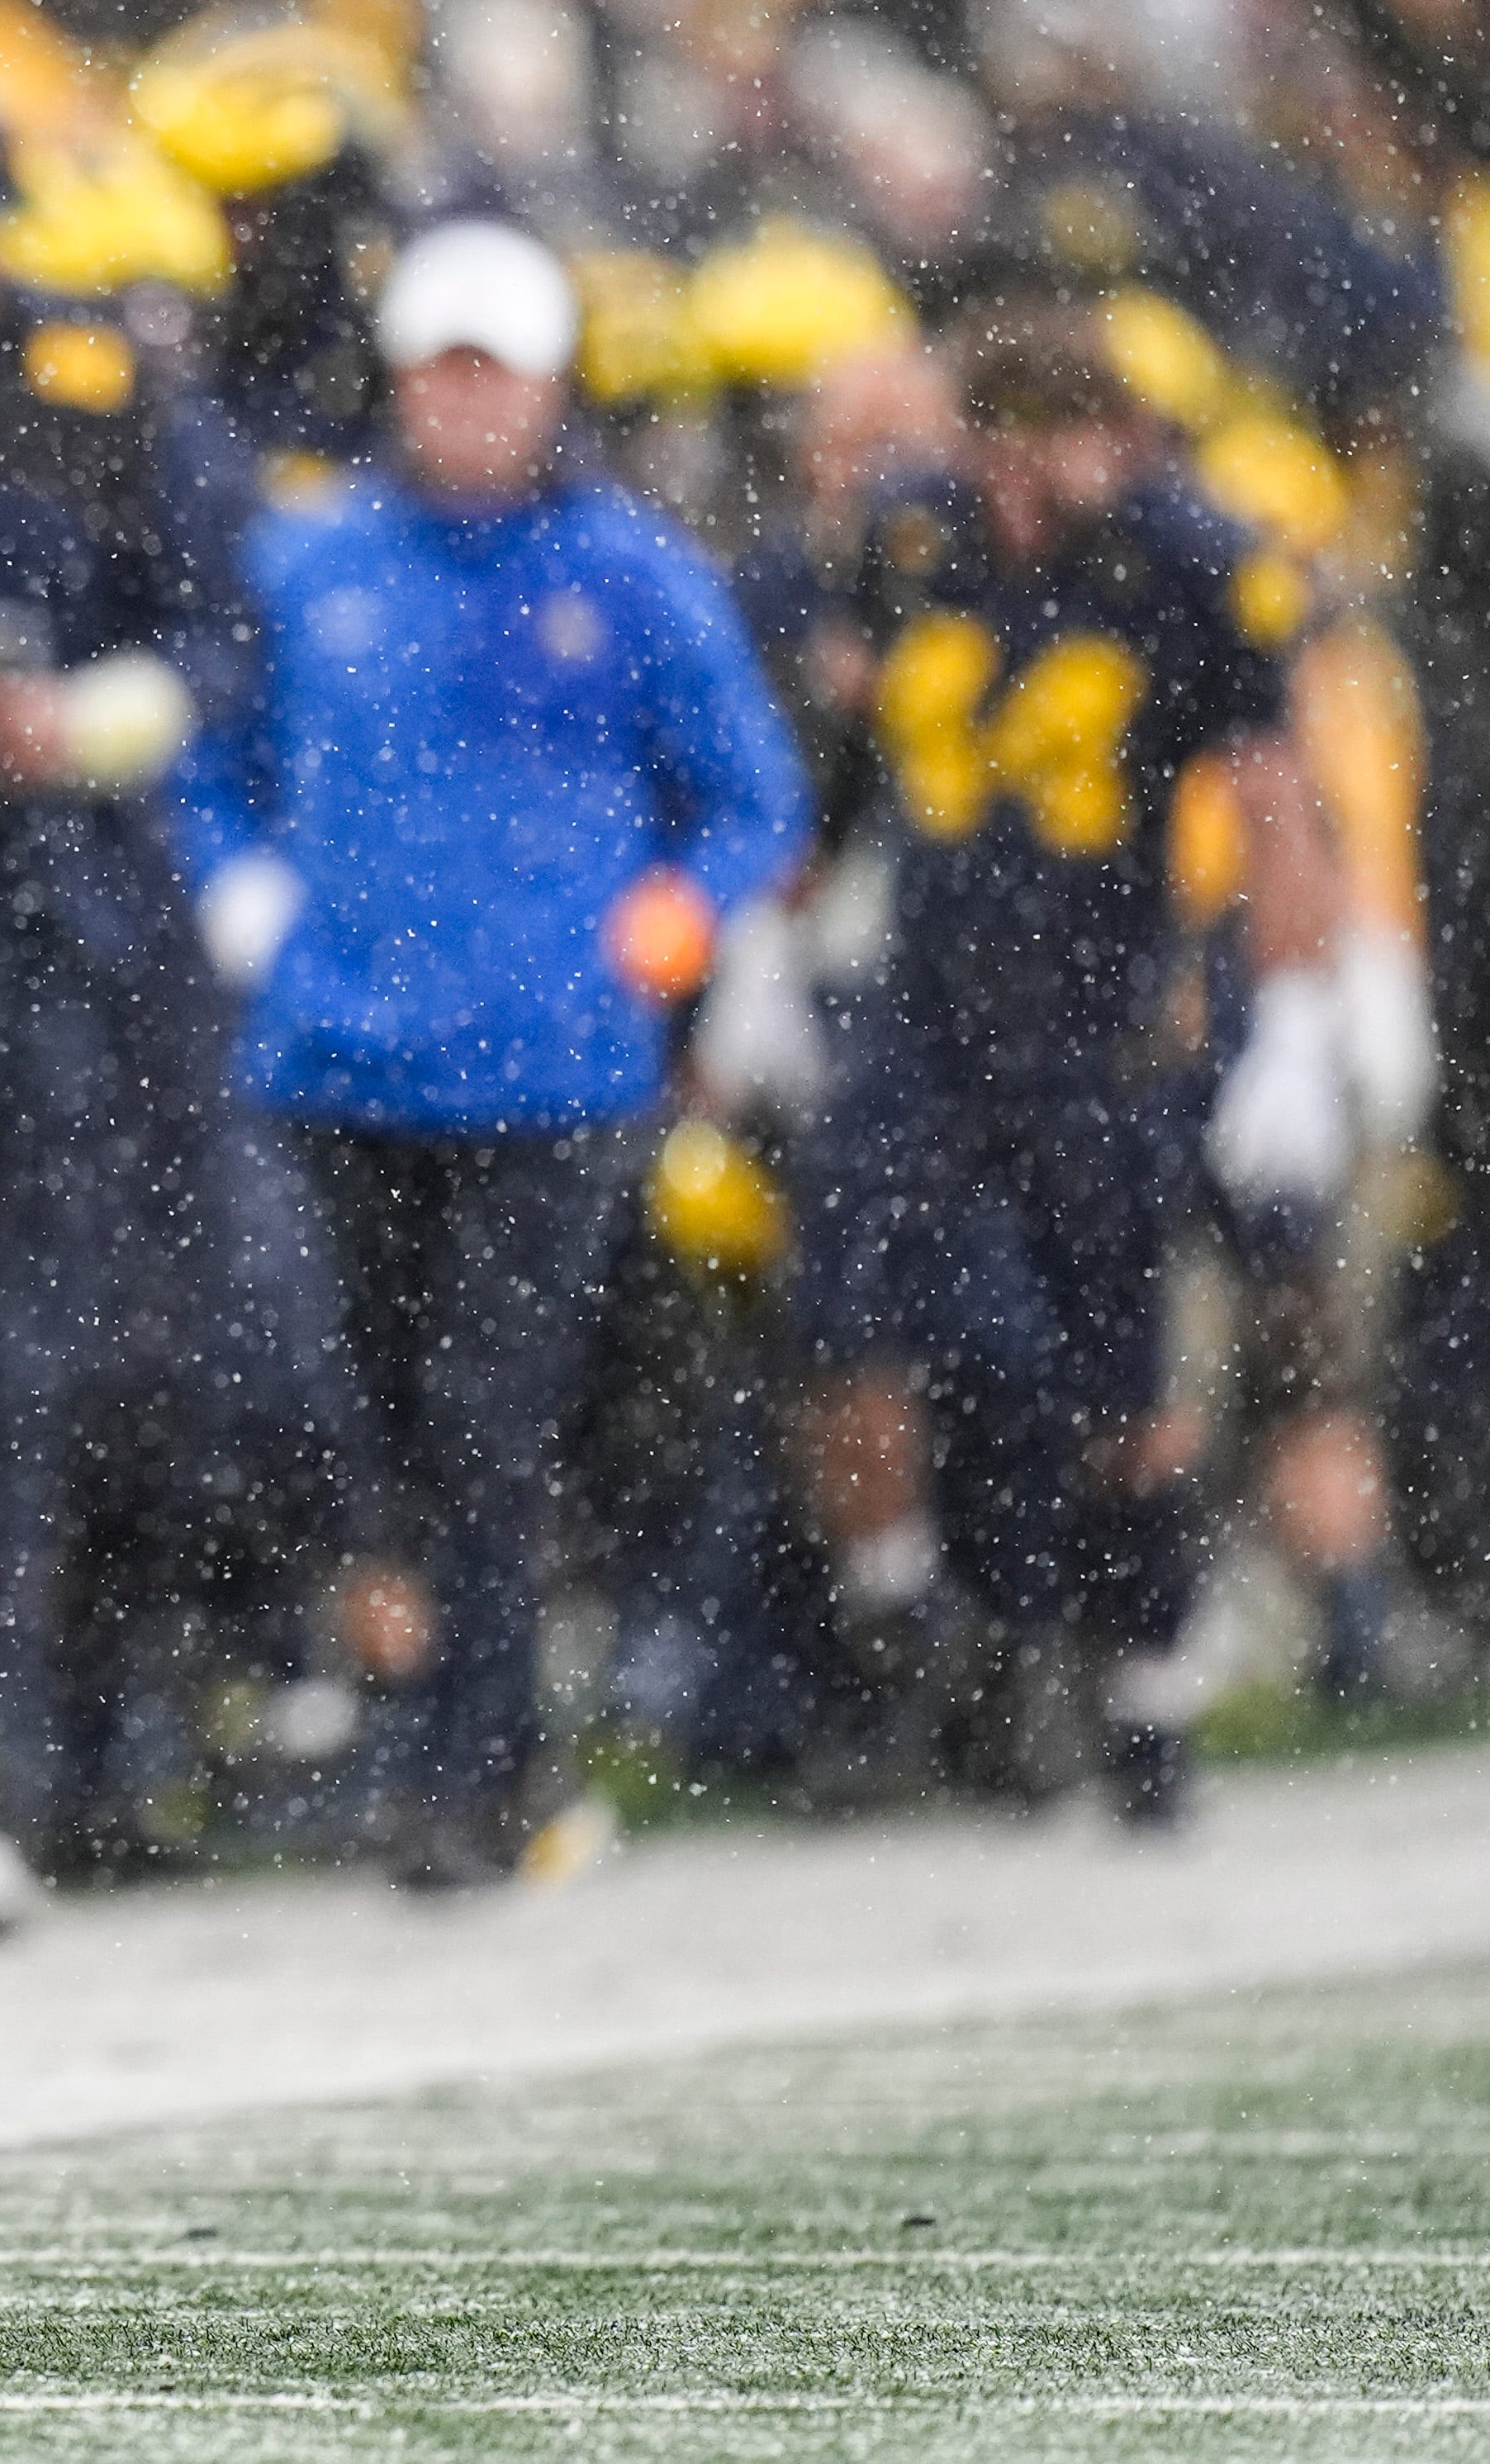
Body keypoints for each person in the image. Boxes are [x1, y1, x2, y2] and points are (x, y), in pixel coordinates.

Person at [0, 95, 384, 1880]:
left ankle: (107, 1762)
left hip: (96, 926)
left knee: (139, 1363)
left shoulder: (99, 390)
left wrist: (84, 720)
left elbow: (222, 638)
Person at [175, 217, 811, 1890]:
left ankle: (464, 1771)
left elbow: (750, 796)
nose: (462, 409)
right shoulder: (307, 560)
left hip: (551, 1070)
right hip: (337, 1060)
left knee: (486, 1422)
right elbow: (208, 750)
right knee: (368, 1431)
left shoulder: (630, 573)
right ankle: (462, 1745)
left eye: (491, 378)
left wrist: (678, 912)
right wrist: (237, 886)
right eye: (436, 377)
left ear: (543, 391)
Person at [790, 287, 1349, 1825]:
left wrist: (1290, 1026)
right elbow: (845, 746)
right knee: (838, 1304)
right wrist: (783, 929)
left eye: (1056, 457)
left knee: (1121, 1379)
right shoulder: (914, 533)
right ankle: (909, 1613)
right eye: (999, 456)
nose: (1022, 494)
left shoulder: (1192, 561)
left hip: (1103, 1013)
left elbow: (1281, 805)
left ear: (1117, 437)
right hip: (923, 991)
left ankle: (1143, 1685)